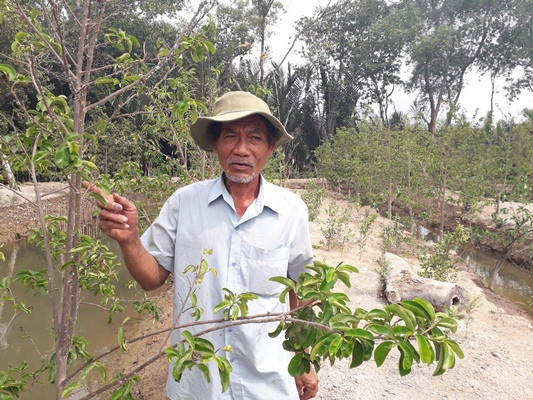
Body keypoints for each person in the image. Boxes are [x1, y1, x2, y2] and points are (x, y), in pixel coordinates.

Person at [85, 91, 319, 399]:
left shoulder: (291, 211)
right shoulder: (185, 202)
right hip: (196, 384)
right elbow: (151, 278)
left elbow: (302, 291)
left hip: (267, 382)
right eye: (230, 136)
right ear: (214, 144)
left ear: (270, 147)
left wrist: (304, 358)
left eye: (255, 138)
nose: (241, 149)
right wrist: (129, 239)